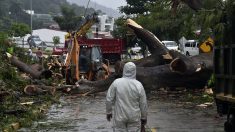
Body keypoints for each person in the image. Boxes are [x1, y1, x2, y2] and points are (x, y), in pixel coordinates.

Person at [106, 62, 148, 132]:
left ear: (124, 70)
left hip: (120, 117)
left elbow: (109, 99)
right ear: (135, 71)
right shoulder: (138, 85)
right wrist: (144, 117)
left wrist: (108, 112)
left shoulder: (116, 82)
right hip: (134, 117)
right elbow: (143, 103)